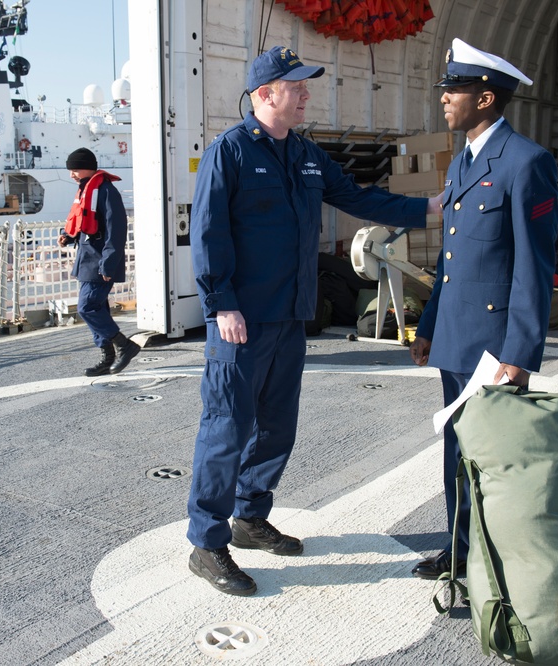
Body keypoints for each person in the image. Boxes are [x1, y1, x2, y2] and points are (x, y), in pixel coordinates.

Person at [187, 45, 443, 596]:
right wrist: (220, 303)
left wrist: (427, 210)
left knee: (277, 427)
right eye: (296, 85)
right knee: (226, 429)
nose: (306, 93)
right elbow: (207, 235)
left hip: (290, 317)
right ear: (264, 95)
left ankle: (250, 519)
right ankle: (207, 544)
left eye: (305, 85)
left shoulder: (304, 154)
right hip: (241, 320)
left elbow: (356, 197)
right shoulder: (228, 153)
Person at [408, 38, 558, 581]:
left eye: (456, 89)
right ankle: (460, 549)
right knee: (457, 454)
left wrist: (518, 353)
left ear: (488, 98)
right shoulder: (460, 166)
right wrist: (427, 326)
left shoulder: (526, 163)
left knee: (492, 462)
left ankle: (492, 567)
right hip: (454, 338)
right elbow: (453, 261)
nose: (445, 98)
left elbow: (533, 268)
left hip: (495, 347)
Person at [57, 147, 140, 376]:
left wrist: (108, 263)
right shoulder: (86, 190)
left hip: (100, 261)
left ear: (88, 167)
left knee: (88, 307)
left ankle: (125, 345)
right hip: (87, 260)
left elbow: (116, 230)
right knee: (98, 307)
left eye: (75, 169)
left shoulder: (105, 191)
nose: (72, 174)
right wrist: (68, 235)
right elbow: (83, 223)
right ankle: (107, 358)